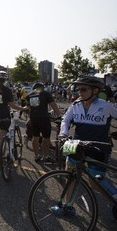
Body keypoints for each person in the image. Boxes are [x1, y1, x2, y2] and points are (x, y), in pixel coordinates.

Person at [54, 76, 117, 216]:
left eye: (83, 89)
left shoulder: (105, 106)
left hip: (98, 148)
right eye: (78, 89)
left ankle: (114, 199)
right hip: (76, 144)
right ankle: (67, 206)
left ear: (95, 91)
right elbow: (65, 120)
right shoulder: (75, 105)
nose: (79, 92)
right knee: (70, 174)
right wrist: (63, 133)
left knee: (95, 182)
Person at [0, 71, 28, 162]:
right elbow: (12, 105)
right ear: (6, 79)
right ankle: (2, 157)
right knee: (3, 136)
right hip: (4, 115)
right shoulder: (7, 90)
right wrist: (23, 108)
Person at [26, 82, 61, 163]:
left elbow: (29, 107)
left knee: (35, 137)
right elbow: (53, 104)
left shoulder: (29, 95)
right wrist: (59, 115)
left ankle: (36, 156)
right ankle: (46, 156)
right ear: (42, 87)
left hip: (33, 117)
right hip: (43, 117)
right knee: (46, 138)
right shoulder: (45, 93)